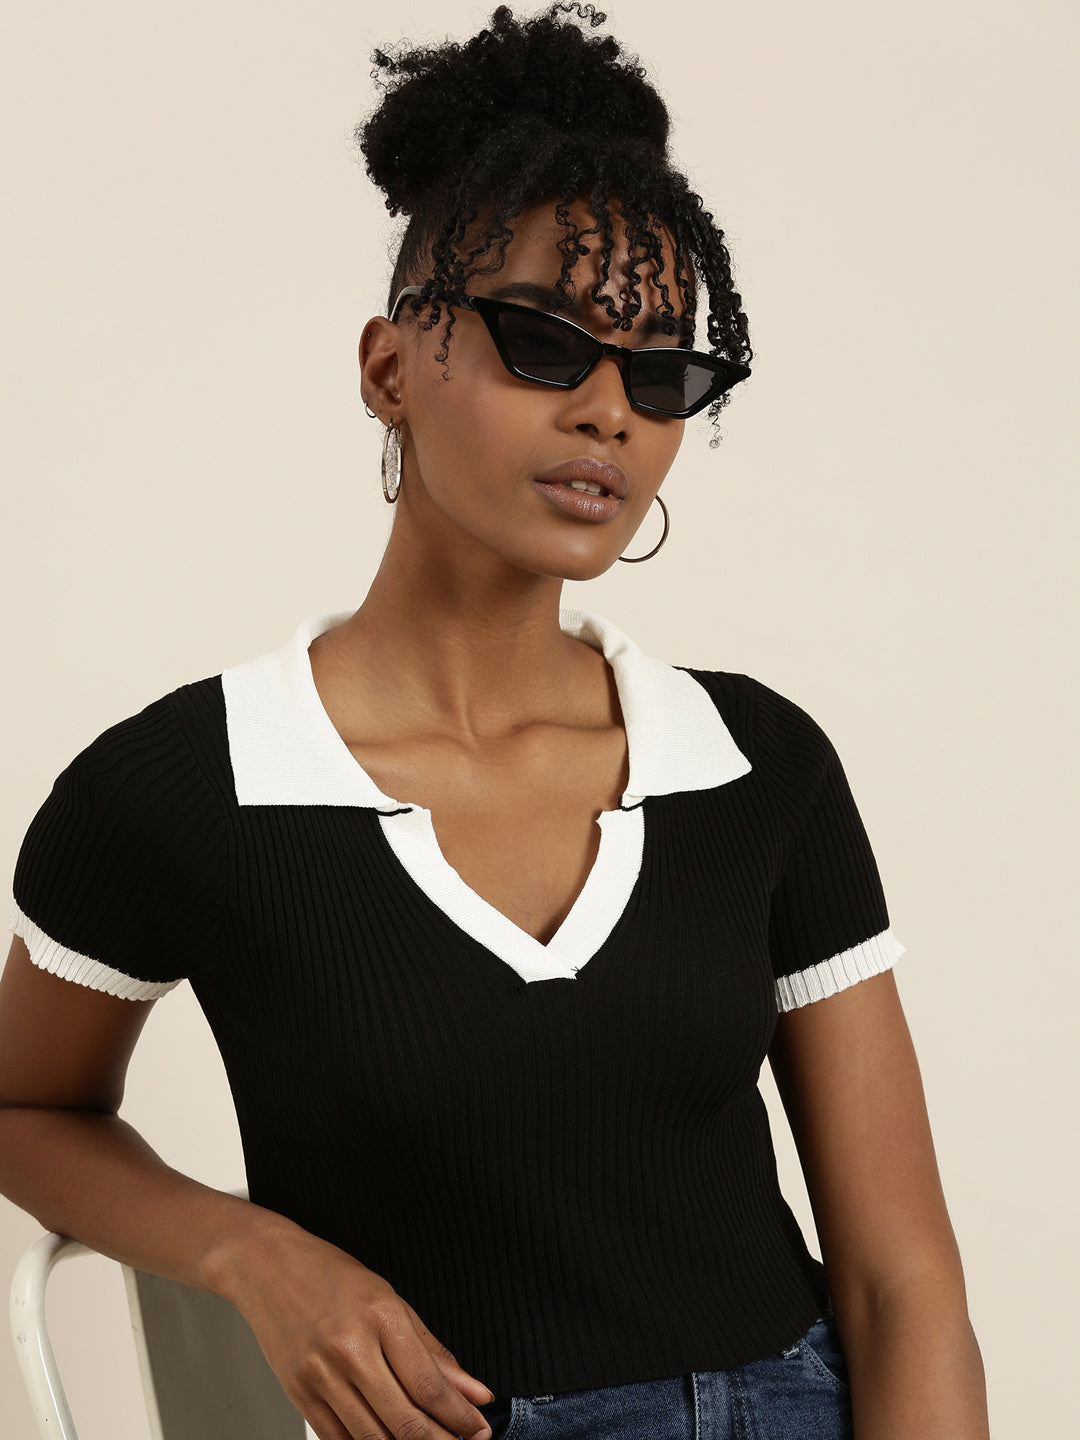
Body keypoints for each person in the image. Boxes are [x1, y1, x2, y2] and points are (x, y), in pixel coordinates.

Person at [0, 5, 990, 1438]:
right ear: (389, 367)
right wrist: (249, 1253)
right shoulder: (183, 789)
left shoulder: (755, 768)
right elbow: (25, 1109)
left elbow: (902, 1285)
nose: (609, 413)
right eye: (542, 342)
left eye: (660, 370)